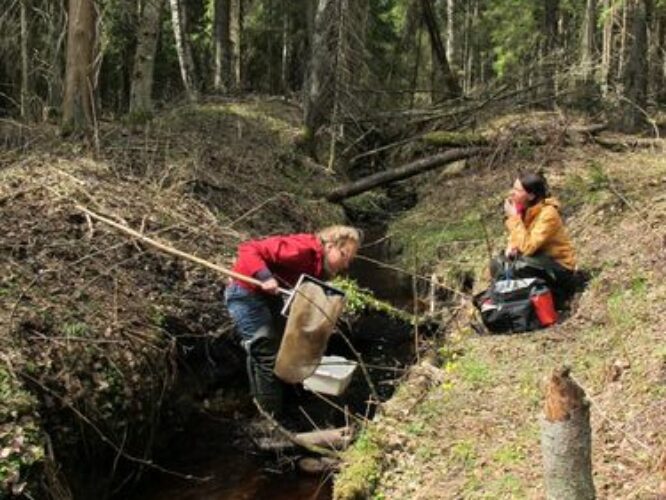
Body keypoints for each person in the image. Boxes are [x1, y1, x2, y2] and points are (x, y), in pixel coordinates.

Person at [224, 225, 362, 417]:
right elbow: (249, 249)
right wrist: (264, 276)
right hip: (245, 293)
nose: (346, 264)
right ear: (330, 245)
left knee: (276, 349)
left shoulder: (319, 264)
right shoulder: (302, 249)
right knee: (267, 355)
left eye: (350, 260)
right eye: (344, 255)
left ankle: (262, 402)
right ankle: (270, 421)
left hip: (267, 297)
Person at [491, 172, 577, 306]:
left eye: (517, 190)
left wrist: (514, 218)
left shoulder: (548, 214)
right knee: (498, 264)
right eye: (513, 188)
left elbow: (528, 247)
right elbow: (518, 238)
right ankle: (514, 304)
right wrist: (512, 245)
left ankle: (555, 297)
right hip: (538, 262)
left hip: (559, 269)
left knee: (521, 266)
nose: (512, 193)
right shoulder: (525, 211)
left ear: (531, 195)